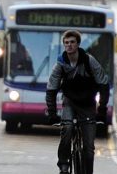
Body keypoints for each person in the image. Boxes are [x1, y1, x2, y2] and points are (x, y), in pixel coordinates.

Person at [45, 30, 109, 174]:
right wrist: (52, 113)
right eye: (66, 43)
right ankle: (63, 164)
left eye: (72, 42)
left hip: (87, 104)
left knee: (88, 147)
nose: (69, 45)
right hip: (70, 102)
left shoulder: (89, 61)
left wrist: (102, 110)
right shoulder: (60, 64)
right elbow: (51, 89)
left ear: (78, 44)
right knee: (67, 128)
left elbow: (103, 84)